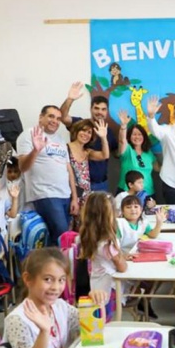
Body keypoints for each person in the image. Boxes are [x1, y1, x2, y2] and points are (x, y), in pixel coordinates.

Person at [3, 248, 108, 348]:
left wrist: (97, 304)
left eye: (61, 280)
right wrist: (44, 331)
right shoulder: (17, 319)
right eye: (48, 279)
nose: (56, 287)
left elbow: (93, 332)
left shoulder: (60, 306)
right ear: (28, 279)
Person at [17, 105, 79, 246]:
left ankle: (51, 266)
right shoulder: (28, 134)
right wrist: (35, 151)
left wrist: (74, 197)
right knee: (62, 236)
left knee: (57, 238)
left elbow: (68, 168)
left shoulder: (60, 139)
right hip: (45, 194)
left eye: (58, 118)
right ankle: (61, 267)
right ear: (41, 117)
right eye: (51, 116)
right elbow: (22, 167)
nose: (55, 121)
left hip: (65, 194)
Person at [60, 84, 119, 192]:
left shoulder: (109, 132)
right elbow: (63, 117)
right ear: (91, 109)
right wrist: (70, 99)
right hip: (77, 184)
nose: (99, 112)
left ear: (107, 111)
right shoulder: (80, 123)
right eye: (96, 108)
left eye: (103, 109)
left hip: (101, 184)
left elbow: (111, 154)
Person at [79, 192, 128, 312]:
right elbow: (122, 267)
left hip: (96, 283)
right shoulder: (108, 242)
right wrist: (121, 257)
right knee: (106, 318)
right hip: (110, 287)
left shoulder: (87, 236)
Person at [68, 118, 111, 211]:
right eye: (83, 130)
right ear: (76, 131)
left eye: (89, 132)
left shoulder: (87, 152)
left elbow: (105, 155)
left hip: (85, 195)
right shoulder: (66, 148)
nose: (86, 134)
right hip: (68, 194)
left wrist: (103, 137)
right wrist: (74, 198)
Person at [116, 111, 157, 203]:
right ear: (129, 136)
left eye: (140, 134)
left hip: (148, 193)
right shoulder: (127, 149)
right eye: (134, 134)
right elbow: (122, 141)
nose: (137, 137)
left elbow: (158, 168)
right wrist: (123, 126)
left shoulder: (149, 153)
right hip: (128, 193)